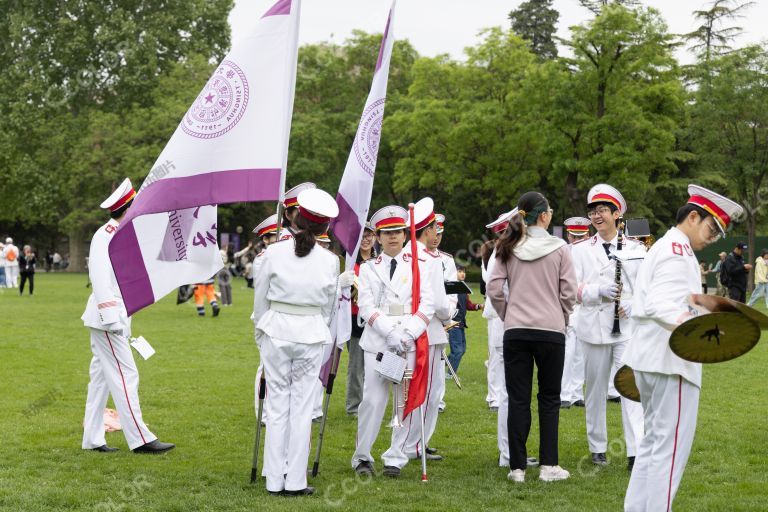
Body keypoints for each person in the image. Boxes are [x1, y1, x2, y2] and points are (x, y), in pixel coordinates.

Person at [623, 185, 744, 511]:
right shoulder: (677, 251)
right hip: (671, 360)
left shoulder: (666, 246)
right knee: (669, 451)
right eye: (711, 228)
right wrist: (704, 332)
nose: (714, 238)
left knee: (652, 446)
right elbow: (664, 306)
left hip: (651, 359)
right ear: (693, 216)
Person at [252, 188, 340, 496]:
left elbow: (259, 300)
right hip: (310, 333)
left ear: (296, 218)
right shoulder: (330, 262)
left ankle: (274, 480)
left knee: (276, 408)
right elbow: (330, 309)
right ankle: (295, 481)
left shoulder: (272, 253)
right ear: (325, 227)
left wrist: (260, 333)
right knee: (302, 410)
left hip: (276, 331)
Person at [487, 191, 577, 483]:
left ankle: (517, 467)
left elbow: (494, 288)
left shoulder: (508, 245)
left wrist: (508, 314)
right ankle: (549, 465)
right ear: (544, 216)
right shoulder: (560, 248)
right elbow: (569, 293)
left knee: (518, 398)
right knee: (549, 398)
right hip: (551, 330)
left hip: (516, 330)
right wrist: (561, 316)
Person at [81, 178, 174, 454]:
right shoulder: (106, 234)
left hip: (116, 316)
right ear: (129, 206)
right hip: (107, 318)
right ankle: (140, 438)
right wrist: (112, 319)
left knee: (100, 380)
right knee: (126, 374)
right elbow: (99, 278)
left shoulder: (120, 232)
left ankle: (93, 439)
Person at [351, 205, 434, 477]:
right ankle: (362, 456)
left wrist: (408, 333)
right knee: (372, 401)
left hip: (409, 337)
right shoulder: (367, 269)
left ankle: (395, 457)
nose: (393, 238)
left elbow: (428, 304)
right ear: (377, 236)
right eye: (386, 233)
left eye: (397, 231)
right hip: (379, 340)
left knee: (404, 401)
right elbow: (365, 306)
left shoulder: (421, 265)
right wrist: (391, 333)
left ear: (405, 234)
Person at [570, 184, 645, 470]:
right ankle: (597, 447)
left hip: (626, 328)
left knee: (631, 387)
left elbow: (647, 289)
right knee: (595, 390)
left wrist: (633, 304)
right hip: (593, 326)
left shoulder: (637, 249)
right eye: (592, 211)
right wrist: (596, 290)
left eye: (602, 210)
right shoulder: (578, 250)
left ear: (617, 214)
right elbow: (569, 288)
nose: (596, 216)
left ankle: (635, 449)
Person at [383, 198, 456, 469]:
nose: (437, 233)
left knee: (410, 392)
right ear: (427, 230)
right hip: (428, 332)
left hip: (403, 330)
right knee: (425, 394)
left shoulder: (404, 256)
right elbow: (438, 304)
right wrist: (451, 311)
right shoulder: (429, 260)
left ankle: (406, 445)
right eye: (435, 228)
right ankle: (406, 447)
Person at [482, 210, 515, 413]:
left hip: (515, 308)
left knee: (510, 353)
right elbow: (491, 280)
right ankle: (494, 396)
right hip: (498, 309)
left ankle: (504, 393)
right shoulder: (498, 251)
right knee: (496, 354)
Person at [346, 222, 377, 416]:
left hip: (376, 320)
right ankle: (353, 407)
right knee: (357, 367)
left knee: (374, 366)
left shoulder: (380, 260)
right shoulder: (349, 262)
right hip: (355, 319)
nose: (365, 239)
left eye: (369, 235)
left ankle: (371, 402)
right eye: (362, 236)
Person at [560, 217, 590, 409]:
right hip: (570, 306)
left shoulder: (591, 251)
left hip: (587, 305)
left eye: (582, 235)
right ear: (569, 235)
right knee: (568, 352)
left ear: (588, 234)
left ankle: (577, 392)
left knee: (581, 353)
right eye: (574, 235)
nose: (577, 239)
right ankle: (563, 393)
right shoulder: (563, 252)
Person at [446, 265, 482, 373]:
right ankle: (449, 374)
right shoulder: (450, 288)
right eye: (460, 271)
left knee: (462, 350)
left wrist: (479, 306)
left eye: (464, 272)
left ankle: (439, 363)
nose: (463, 274)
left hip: (461, 324)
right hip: (453, 324)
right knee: (457, 351)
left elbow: (468, 305)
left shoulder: (463, 288)